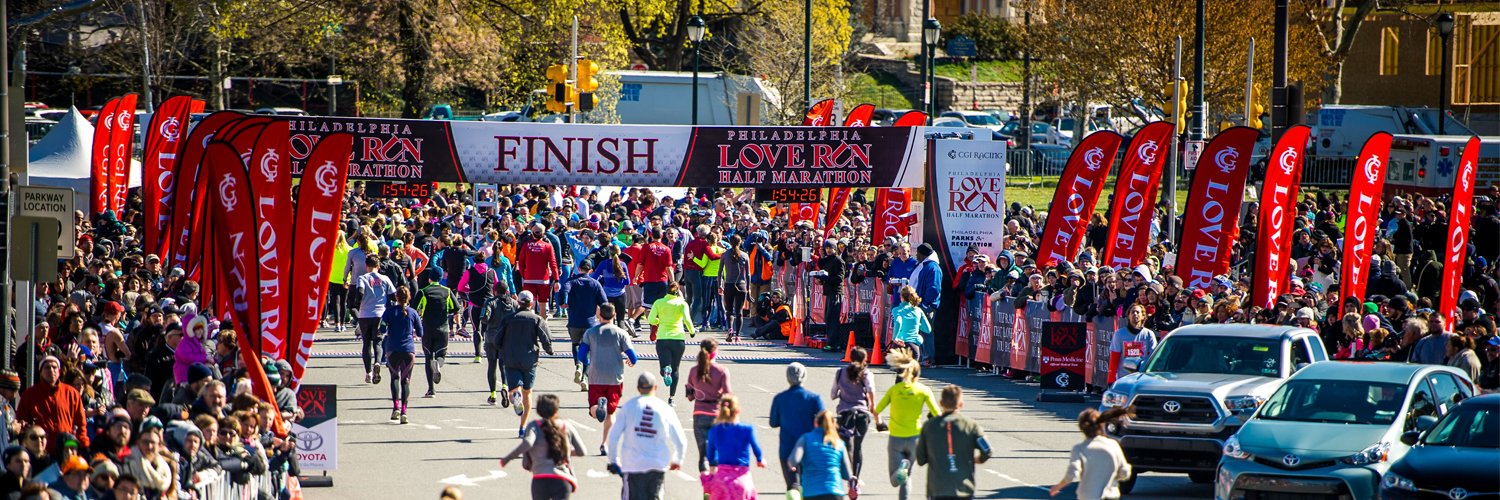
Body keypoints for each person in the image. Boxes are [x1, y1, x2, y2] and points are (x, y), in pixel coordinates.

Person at [605, 373, 688, 500]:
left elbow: (613, 436)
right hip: (657, 465)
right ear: (655, 387)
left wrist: (614, 461)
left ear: (638, 388)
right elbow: (680, 440)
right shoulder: (665, 408)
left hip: (632, 465)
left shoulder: (629, 407)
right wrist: (678, 460)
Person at [874, 351, 938, 500]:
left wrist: (880, 423)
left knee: (895, 479)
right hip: (915, 438)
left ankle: (902, 468)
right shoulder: (924, 391)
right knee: (906, 478)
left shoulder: (894, 390)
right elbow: (937, 414)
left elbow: (876, 411)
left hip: (896, 438)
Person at [500, 394, 586, 500]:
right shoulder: (565, 426)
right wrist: (565, 451)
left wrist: (507, 458)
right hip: (562, 481)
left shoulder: (534, 426)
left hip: (540, 481)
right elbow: (582, 451)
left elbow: (528, 443)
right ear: (556, 410)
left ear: (538, 411)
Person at [578, 303, 638, 454]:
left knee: (593, 409)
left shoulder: (590, 333)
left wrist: (589, 364)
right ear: (615, 315)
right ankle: (604, 444)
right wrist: (631, 361)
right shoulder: (621, 333)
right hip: (615, 377)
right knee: (611, 413)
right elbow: (633, 357)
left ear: (599, 315)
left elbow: (581, 355)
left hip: (596, 376)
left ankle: (598, 407)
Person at [915, 386, 991, 500]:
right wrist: (977, 460)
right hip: (964, 489)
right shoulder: (971, 426)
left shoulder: (929, 426)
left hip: (938, 489)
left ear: (941, 403)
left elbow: (920, 459)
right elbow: (987, 450)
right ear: (961, 404)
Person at [496, 291, 555, 437]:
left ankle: (515, 396)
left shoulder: (508, 319)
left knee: (513, 389)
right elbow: (546, 337)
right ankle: (522, 427)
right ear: (532, 302)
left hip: (511, 358)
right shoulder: (536, 319)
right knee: (528, 392)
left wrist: (501, 349)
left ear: (519, 302)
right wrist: (549, 350)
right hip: (529, 359)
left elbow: (497, 339)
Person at [1050, 408, 1133, 500]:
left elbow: (1072, 473)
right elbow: (1125, 472)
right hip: (1111, 495)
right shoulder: (1113, 445)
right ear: (1101, 425)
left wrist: (1058, 486)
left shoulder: (1080, 449)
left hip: (1088, 495)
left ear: (1081, 428)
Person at [830, 347, 879, 494]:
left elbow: (833, 394)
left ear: (850, 358)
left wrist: (842, 394)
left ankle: (846, 474)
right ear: (865, 360)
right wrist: (872, 409)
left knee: (846, 446)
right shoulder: (867, 374)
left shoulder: (840, 373)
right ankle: (855, 479)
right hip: (862, 414)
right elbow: (871, 391)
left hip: (845, 413)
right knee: (858, 447)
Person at [769, 362, 825, 493]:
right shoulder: (814, 398)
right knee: (809, 485)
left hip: (787, 447)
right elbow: (824, 421)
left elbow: (773, 422)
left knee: (792, 486)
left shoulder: (780, 398)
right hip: (810, 447)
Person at [17, 356, 89, 454]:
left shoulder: (71, 393)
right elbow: (22, 424)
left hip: (67, 451)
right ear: (41, 371)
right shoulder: (29, 395)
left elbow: (81, 423)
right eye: (47, 367)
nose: (51, 370)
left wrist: (83, 445)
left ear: (59, 371)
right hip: (40, 453)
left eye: (54, 367)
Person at [684, 339, 732, 472]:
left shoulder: (694, 371)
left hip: (699, 414)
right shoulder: (722, 370)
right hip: (717, 415)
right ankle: (713, 482)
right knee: (715, 451)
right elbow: (728, 395)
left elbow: (689, 396)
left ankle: (706, 487)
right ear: (715, 352)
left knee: (703, 453)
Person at [704, 395, 764, 500]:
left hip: (722, 480)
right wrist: (760, 459)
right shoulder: (747, 430)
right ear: (738, 410)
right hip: (742, 477)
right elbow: (756, 448)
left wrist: (713, 464)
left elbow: (710, 454)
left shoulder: (714, 430)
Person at [562, 260, 609, 391]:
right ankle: (585, 377)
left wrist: (563, 303)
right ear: (590, 270)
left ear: (578, 268)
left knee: (576, 344)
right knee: (590, 349)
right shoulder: (595, 284)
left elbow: (563, 294)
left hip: (574, 321)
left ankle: (578, 363)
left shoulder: (571, 281)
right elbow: (604, 303)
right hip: (590, 322)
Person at [646, 281, 695, 405]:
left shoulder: (659, 303)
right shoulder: (682, 304)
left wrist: (659, 320)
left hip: (662, 338)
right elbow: (687, 320)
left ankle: (665, 371)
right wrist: (692, 332)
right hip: (678, 338)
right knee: (676, 369)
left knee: (664, 366)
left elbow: (651, 319)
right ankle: (671, 397)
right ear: (678, 292)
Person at [789, 410, 853, 500]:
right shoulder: (838, 443)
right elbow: (847, 474)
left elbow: (794, 460)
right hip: (835, 492)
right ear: (834, 425)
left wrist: (792, 465)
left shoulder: (806, 439)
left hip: (812, 492)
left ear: (815, 423)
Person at [354, 254, 397, 384]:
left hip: (365, 314)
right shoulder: (384, 278)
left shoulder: (362, 278)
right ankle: (378, 362)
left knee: (366, 343)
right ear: (378, 266)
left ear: (367, 266)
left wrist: (358, 304)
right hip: (380, 314)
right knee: (378, 342)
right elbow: (393, 296)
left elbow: (360, 292)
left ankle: (368, 372)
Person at [381, 287, 422, 424]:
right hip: (408, 350)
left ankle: (395, 408)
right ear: (409, 297)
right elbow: (421, 332)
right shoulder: (413, 313)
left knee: (394, 378)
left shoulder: (389, 311)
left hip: (392, 349)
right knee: (406, 381)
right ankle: (404, 411)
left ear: (396, 297)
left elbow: (381, 327)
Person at [416, 269, 460, 397]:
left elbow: (414, 308)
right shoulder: (447, 291)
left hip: (427, 328)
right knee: (441, 354)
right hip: (443, 328)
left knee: (428, 357)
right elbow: (456, 307)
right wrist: (448, 310)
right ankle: (439, 363)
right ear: (441, 278)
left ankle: (431, 390)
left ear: (429, 278)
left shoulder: (423, 292)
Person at [484, 285, 520, 406]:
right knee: (503, 364)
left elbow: (484, 318)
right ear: (507, 291)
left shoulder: (490, 302)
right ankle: (505, 386)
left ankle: (493, 394)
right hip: (507, 338)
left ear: (495, 291)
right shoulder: (514, 303)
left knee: (491, 365)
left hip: (491, 337)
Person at [517, 223, 562, 318]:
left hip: (529, 279)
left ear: (532, 233)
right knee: (543, 304)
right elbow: (553, 264)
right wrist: (556, 279)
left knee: (530, 304)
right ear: (543, 234)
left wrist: (524, 275)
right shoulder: (547, 246)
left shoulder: (526, 245)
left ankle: (531, 324)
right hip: (543, 280)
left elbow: (520, 263)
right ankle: (542, 325)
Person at [889, 286, 932, 362]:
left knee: (898, 372)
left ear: (901, 297)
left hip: (899, 345)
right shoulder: (918, 310)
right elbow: (928, 329)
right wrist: (916, 324)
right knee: (911, 372)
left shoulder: (896, 310)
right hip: (913, 347)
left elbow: (898, 322)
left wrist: (894, 338)